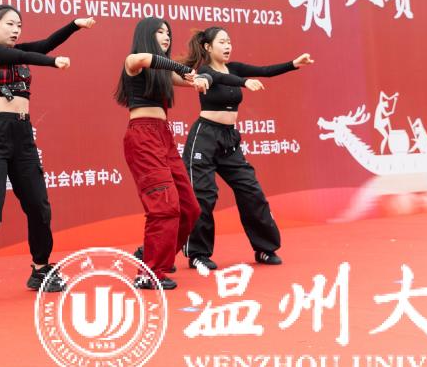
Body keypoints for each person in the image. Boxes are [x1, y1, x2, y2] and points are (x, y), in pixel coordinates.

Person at [0, 5, 94, 305]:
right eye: (10, 24)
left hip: (23, 137)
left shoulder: (18, 50)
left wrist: (74, 25)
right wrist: (53, 63)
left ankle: (40, 270)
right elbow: (30, 56)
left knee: (39, 206)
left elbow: (46, 44)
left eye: (19, 25)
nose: (16, 30)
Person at [181, 26, 314, 270]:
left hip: (229, 140)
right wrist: (243, 82)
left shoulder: (235, 68)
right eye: (222, 42)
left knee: (251, 191)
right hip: (204, 138)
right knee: (203, 196)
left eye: (229, 42)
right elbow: (215, 79)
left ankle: (265, 248)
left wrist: (293, 64)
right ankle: (198, 254)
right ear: (208, 47)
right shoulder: (205, 71)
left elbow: (265, 71)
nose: (228, 46)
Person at [115, 18, 208, 290]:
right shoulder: (133, 61)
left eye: (168, 33)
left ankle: (151, 254)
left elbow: (190, 79)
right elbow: (145, 59)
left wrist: (200, 80)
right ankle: (150, 272)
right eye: (159, 32)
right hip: (142, 137)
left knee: (190, 208)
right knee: (164, 207)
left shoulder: (163, 73)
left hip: (163, 136)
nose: (166, 37)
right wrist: (181, 68)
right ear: (146, 35)